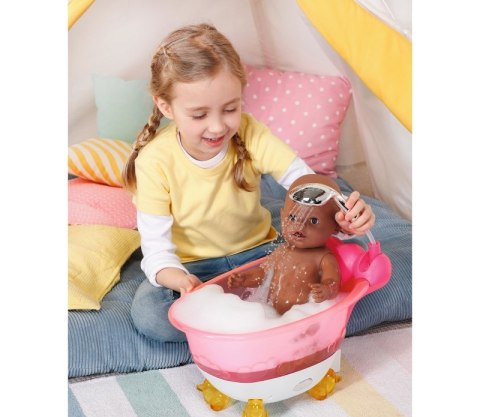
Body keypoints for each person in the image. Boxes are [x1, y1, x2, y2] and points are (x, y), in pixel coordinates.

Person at [122, 23, 374, 342]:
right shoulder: (154, 162)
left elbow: (303, 180)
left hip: (260, 253)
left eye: (230, 108)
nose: (218, 127)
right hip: (193, 266)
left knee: (332, 264)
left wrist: (342, 214)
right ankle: (258, 320)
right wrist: (181, 281)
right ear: (165, 106)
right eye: (199, 115)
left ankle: (241, 321)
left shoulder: (248, 131)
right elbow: (156, 251)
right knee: (151, 315)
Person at [227, 174, 342, 315]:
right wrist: (245, 279)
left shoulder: (323, 258)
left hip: (302, 316)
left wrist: (326, 290)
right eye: (292, 217)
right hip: (269, 315)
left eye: (313, 221)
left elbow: (333, 282)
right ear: (282, 217)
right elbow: (264, 274)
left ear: (335, 226)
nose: (299, 226)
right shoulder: (282, 251)